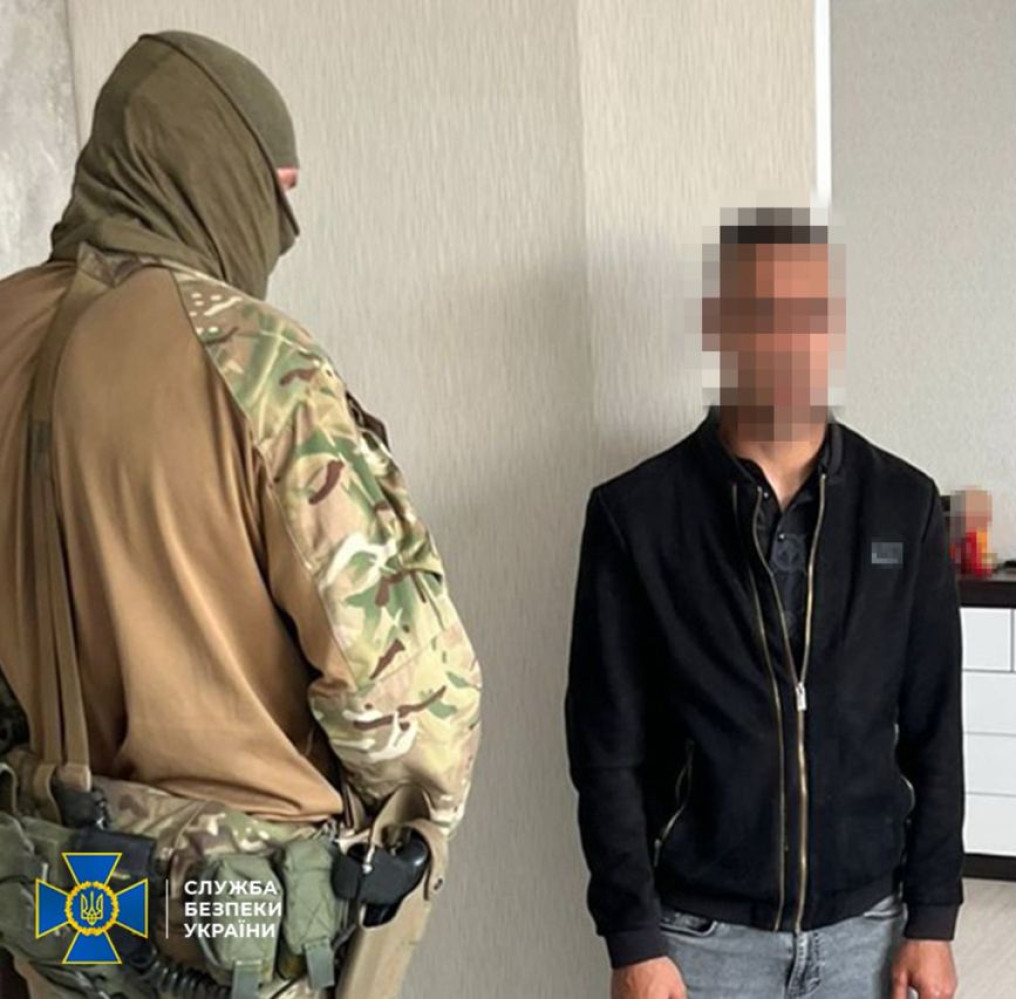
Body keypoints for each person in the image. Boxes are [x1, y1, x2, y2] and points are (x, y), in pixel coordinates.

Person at [0, 32, 481, 998]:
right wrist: (412, 825)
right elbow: (409, 698)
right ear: (212, 165)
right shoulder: (252, 360)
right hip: (235, 932)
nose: (284, 222)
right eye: (275, 186)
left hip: (50, 919)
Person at [566, 208, 963, 999]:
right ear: (720, 327)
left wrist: (933, 917)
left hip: (868, 932)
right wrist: (633, 938)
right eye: (760, 313)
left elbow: (935, 730)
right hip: (699, 941)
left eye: (807, 315)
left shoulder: (905, 505)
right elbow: (606, 749)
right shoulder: (635, 516)